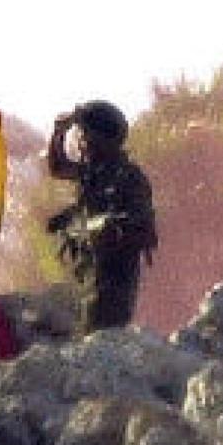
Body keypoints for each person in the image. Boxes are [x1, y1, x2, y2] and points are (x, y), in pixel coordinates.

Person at [46, 100, 158, 333]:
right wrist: (59, 132)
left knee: (103, 330)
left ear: (105, 139)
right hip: (88, 269)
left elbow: (144, 229)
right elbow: (58, 167)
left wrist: (101, 226)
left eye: (87, 137)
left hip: (115, 275)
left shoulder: (129, 177)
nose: (83, 144)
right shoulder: (93, 172)